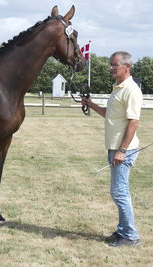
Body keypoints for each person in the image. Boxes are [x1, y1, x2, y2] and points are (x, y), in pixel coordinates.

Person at [81, 51, 143, 247]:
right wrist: (90, 104)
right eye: (110, 64)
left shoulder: (131, 90)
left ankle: (130, 236)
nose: (110, 68)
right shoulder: (118, 88)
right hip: (115, 147)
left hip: (123, 149)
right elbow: (110, 114)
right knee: (119, 191)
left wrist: (122, 151)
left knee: (119, 192)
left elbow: (134, 122)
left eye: (114, 65)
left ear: (127, 67)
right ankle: (122, 231)